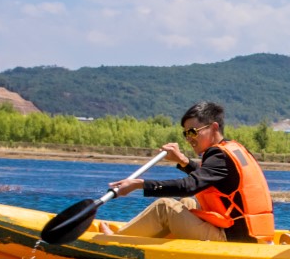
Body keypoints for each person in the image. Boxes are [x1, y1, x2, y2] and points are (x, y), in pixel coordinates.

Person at [106, 101, 274, 242]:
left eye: (193, 132)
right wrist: (183, 161)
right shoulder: (232, 150)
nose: (188, 138)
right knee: (187, 203)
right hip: (249, 235)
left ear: (214, 127)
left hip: (232, 239)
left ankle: (114, 242)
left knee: (164, 207)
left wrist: (139, 184)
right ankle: (143, 239)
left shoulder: (218, 154)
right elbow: (205, 176)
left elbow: (189, 186)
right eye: (185, 133)